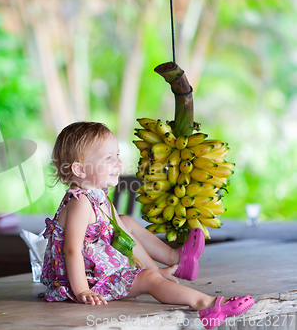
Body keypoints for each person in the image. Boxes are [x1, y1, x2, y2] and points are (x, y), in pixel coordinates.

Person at [40, 121, 253, 329]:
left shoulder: (98, 197)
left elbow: (123, 236)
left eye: (117, 155)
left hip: (96, 274)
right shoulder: (80, 202)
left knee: (126, 225)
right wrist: (82, 291)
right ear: (79, 169)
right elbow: (71, 249)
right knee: (148, 280)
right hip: (84, 282)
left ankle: (171, 265)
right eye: (108, 158)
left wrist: (153, 269)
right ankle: (207, 304)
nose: (118, 163)